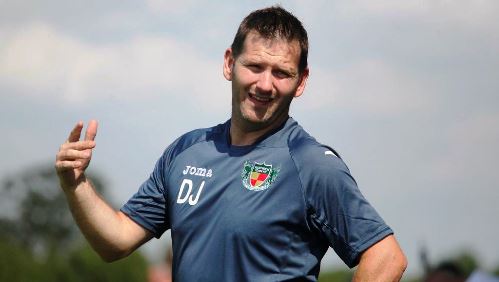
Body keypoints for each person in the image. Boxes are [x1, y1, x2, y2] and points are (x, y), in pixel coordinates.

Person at [55, 6, 407, 281]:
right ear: (229, 63)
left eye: (281, 73)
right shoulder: (186, 151)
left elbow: (386, 257)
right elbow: (114, 241)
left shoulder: (311, 163)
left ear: (301, 82)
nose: (265, 84)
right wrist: (76, 187)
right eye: (254, 66)